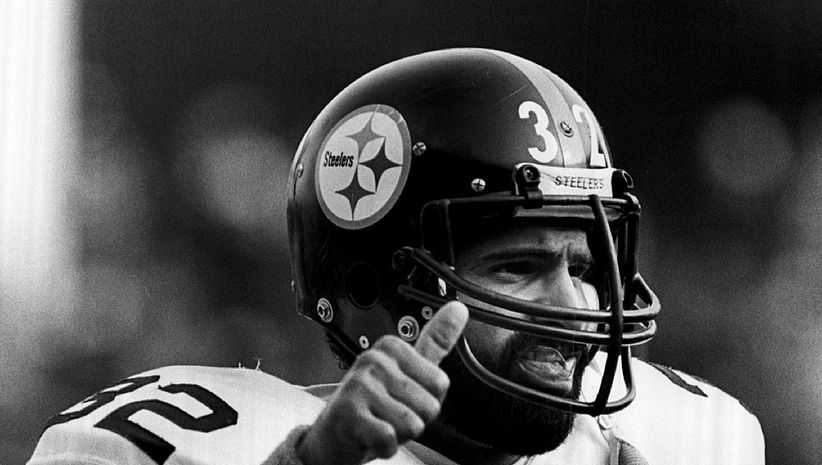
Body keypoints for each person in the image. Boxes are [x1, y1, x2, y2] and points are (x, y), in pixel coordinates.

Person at [28, 48, 764, 465]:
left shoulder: (687, 439)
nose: (572, 304)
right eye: (516, 267)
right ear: (376, 287)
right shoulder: (217, 438)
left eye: (583, 266)